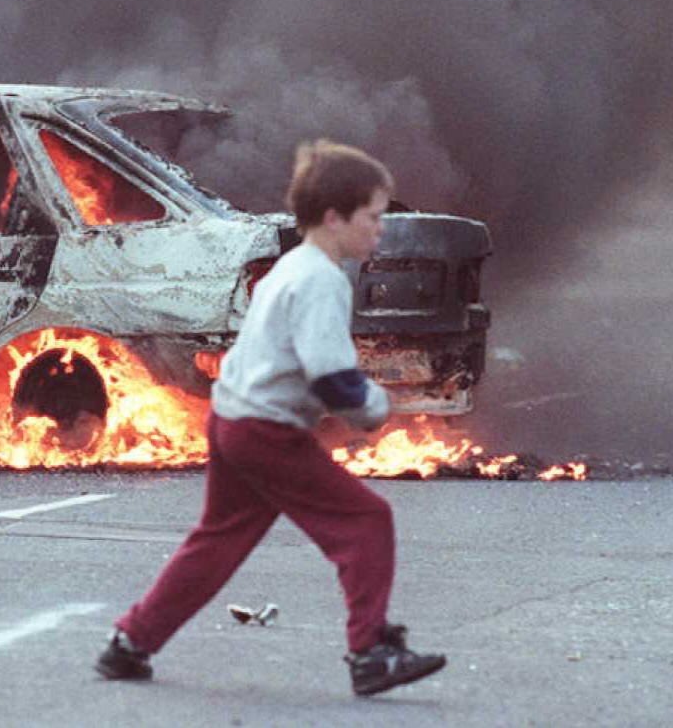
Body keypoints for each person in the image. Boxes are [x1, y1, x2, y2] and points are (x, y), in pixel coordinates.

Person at [95, 140, 446, 697]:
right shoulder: (322, 279)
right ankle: (370, 653)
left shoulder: (293, 266)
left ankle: (130, 644)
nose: (381, 230)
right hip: (266, 430)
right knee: (365, 522)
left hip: (233, 418)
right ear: (334, 218)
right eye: (373, 218)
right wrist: (373, 407)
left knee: (217, 541)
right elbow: (330, 374)